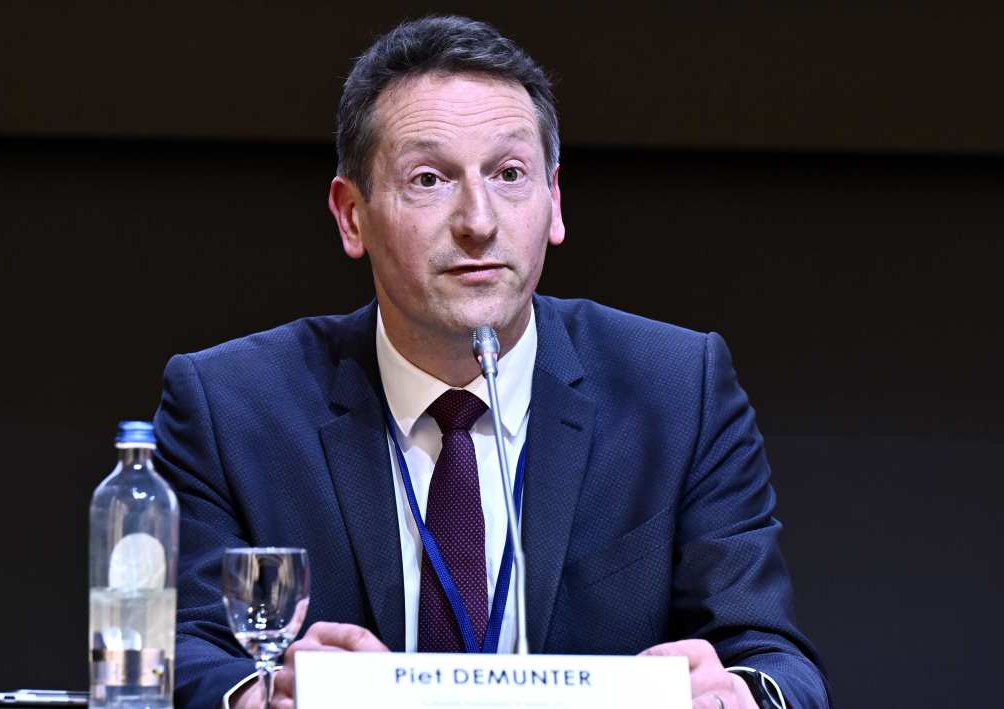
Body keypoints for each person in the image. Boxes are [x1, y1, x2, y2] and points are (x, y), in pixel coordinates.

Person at [153, 15, 830, 709]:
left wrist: (740, 695)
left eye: (509, 174)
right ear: (351, 214)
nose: (478, 221)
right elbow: (171, 650)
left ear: (553, 202)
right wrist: (256, 695)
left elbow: (772, 655)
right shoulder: (230, 405)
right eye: (429, 179)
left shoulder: (679, 389)